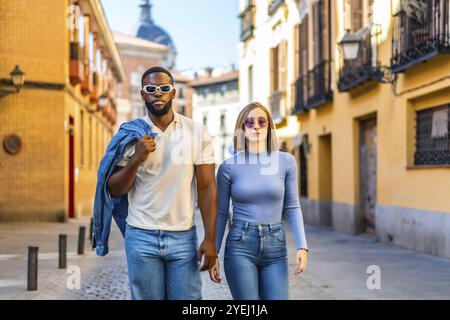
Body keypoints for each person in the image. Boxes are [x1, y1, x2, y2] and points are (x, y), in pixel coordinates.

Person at [96, 66, 217, 300]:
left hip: (183, 236)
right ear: (143, 95)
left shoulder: (197, 132)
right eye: (151, 89)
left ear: (173, 93)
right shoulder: (131, 135)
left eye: (164, 88)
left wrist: (210, 239)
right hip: (141, 235)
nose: (158, 93)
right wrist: (135, 160)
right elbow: (114, 189)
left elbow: (207, 187)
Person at [209, 102, 308, 300]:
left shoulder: (286, 161)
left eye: (262, 121)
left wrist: (302, 246)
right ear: (241, 128)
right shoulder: (228, 167)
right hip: (240, 245)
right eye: (250, 122)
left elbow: (293, 206)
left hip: (275, 245)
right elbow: (220, 212)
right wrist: (214, 253)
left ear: (269, 127)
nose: (256, 126)